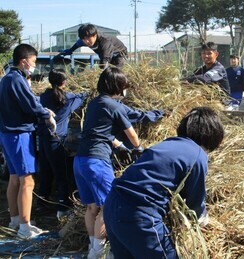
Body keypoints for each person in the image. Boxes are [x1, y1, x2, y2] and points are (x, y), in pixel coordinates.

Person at [103, 106, 224, 259]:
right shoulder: (198, 155)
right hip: (139, 215)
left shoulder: (167, 144)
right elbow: (195, 202)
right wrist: (204, 222)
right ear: (212, 136)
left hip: (112, 205)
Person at [73, 67, 143, 258]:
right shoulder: (115, 106)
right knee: (108, 207)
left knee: (91, 207)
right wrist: (139, 149)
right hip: (97, 161)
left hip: (80, 160)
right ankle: (98, 252)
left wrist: (119, 145)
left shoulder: (94, 103)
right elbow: (133, 137)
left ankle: (92, 246)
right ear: (118, 86)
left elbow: (100, 132)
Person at [0, 43, 56, 238]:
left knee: (15, 177)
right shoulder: (16, 79)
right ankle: (25, 227)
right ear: (24, 61)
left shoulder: (7, 78)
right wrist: (46, 114)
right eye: (32, 62)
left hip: (7, 133)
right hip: (19, 134)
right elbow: (30, 104)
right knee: (28, 180)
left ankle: (15, 219)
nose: (33, 66)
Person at [37, 69, 88, 219]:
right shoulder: (68, 99)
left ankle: (42, 202)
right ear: (64, 82)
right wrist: (85, 91)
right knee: (62, 174)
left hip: (42, 138)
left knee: (45, 171)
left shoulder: (43, 97)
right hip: (57, 140)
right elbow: (82, 97)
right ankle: (63, 205)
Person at [58, 23, 128, 68]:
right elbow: (76, 45)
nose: (86, 41)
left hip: (119, 54)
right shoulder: (83, 41)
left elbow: (105, 60)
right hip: (104, 54)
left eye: (88, 38)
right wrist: (70, 51)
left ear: (95, 35)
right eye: (84, 39)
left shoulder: (104, 41)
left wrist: (103, 70)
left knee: (116, 73)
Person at [183, 42, 231, 107]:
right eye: (203, 53)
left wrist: (182, 81)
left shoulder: (219, 68)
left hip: (222, 105)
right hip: (207, 103)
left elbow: (205, 79)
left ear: (216, 54)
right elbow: (191, 78)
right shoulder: (201, 69)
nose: (206, 56)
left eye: (209, 53)